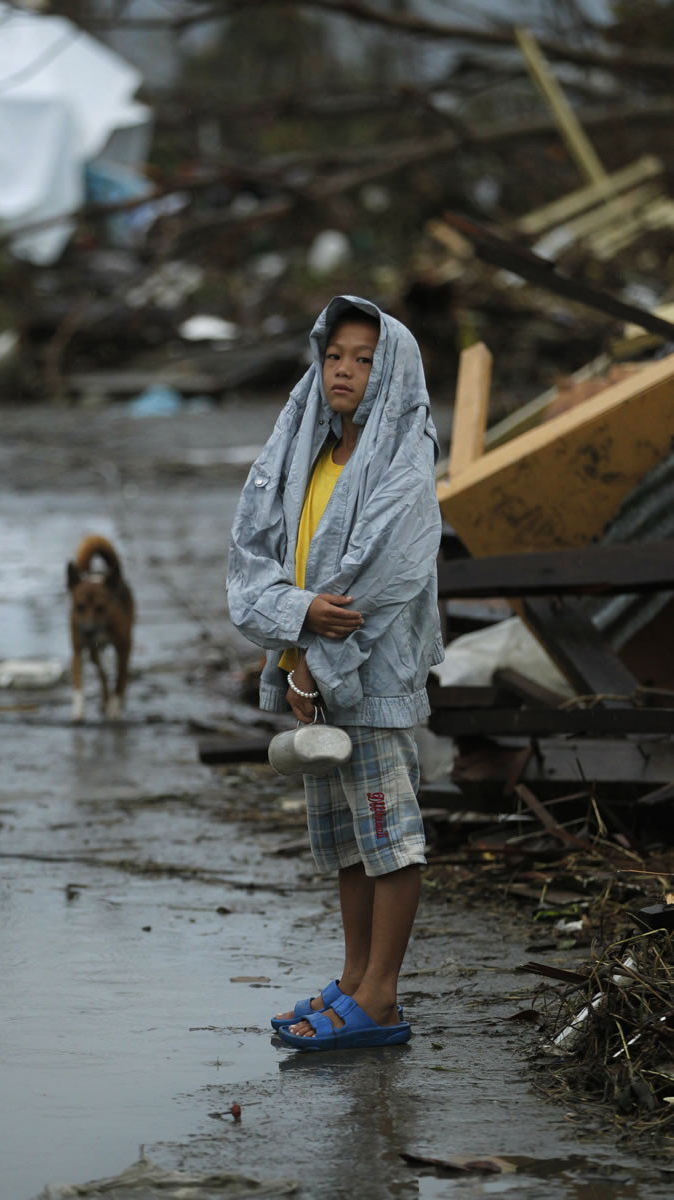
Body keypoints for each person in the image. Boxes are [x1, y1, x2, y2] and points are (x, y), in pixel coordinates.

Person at [226, 295, 443, 1051]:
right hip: (309, 670)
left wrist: (314, 660)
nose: (344, 371)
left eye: (364, 360)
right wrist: (292, 635)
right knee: (347, 836)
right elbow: (259, 557)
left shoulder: (404, 461)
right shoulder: (309, 452)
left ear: (392, 374)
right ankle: (353, 980)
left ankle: (380, 997)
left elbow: (378, 582)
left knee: (390, 835)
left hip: (369, 675)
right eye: (334, 356)